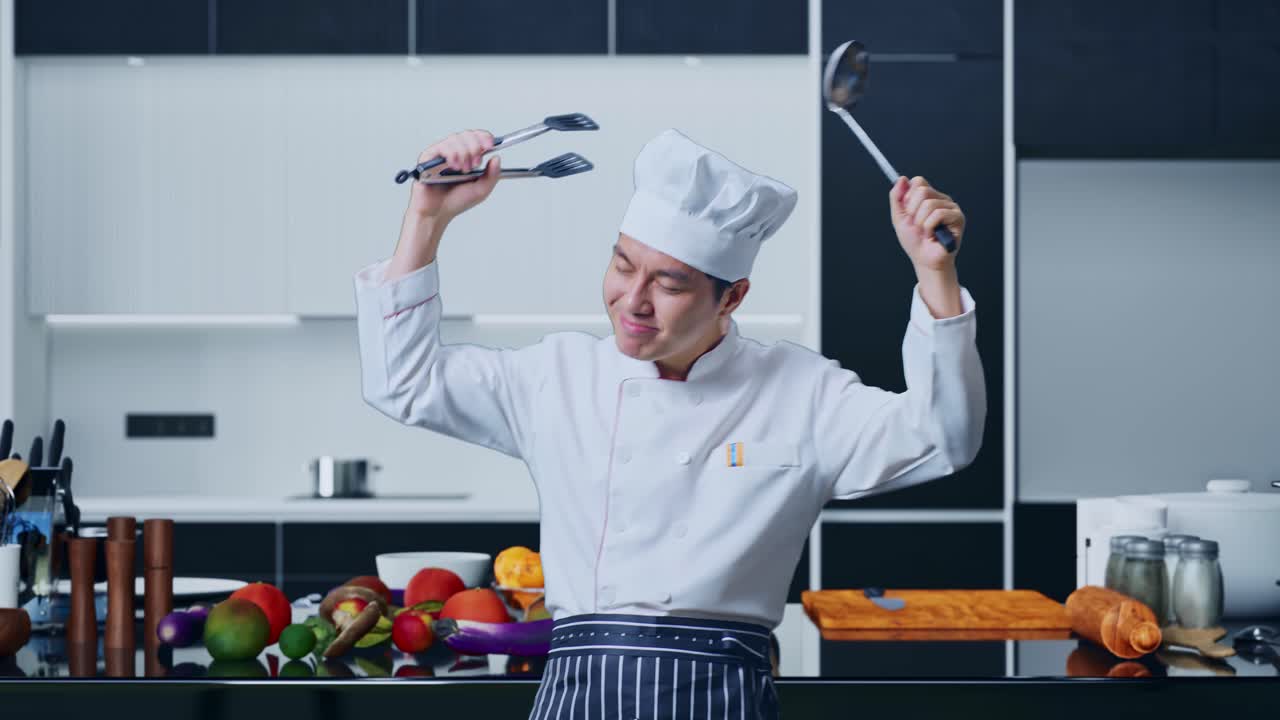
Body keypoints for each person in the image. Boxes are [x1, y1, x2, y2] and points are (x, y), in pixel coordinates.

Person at [354, 128, 986, 719]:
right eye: (623, 265)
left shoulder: (802, 391)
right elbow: (403, 382)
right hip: (579, 695)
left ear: (732, 297)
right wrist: (426, 218)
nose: (633, 301)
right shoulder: (556, 377)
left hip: (725, 697)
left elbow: (943, 438)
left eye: (670, 285)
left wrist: (936, 273)